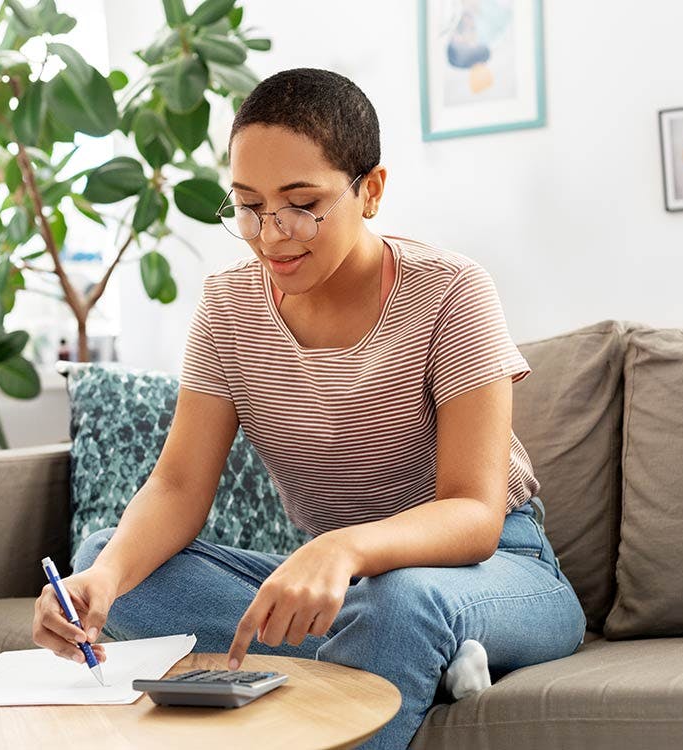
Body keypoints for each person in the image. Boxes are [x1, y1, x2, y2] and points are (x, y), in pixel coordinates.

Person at [32, 67, 586, 748]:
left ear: (370, 190)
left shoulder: (452, 292)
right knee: (109, 560)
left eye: (302, 203)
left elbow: (474, 514)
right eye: (248, 205)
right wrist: (103, 581)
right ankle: (408, 658)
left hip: (492, 570)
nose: (272, 234)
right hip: (350, 588)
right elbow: (177, 486)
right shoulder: (228, 305)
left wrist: (343, 546)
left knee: (402, 602)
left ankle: (406, 640)